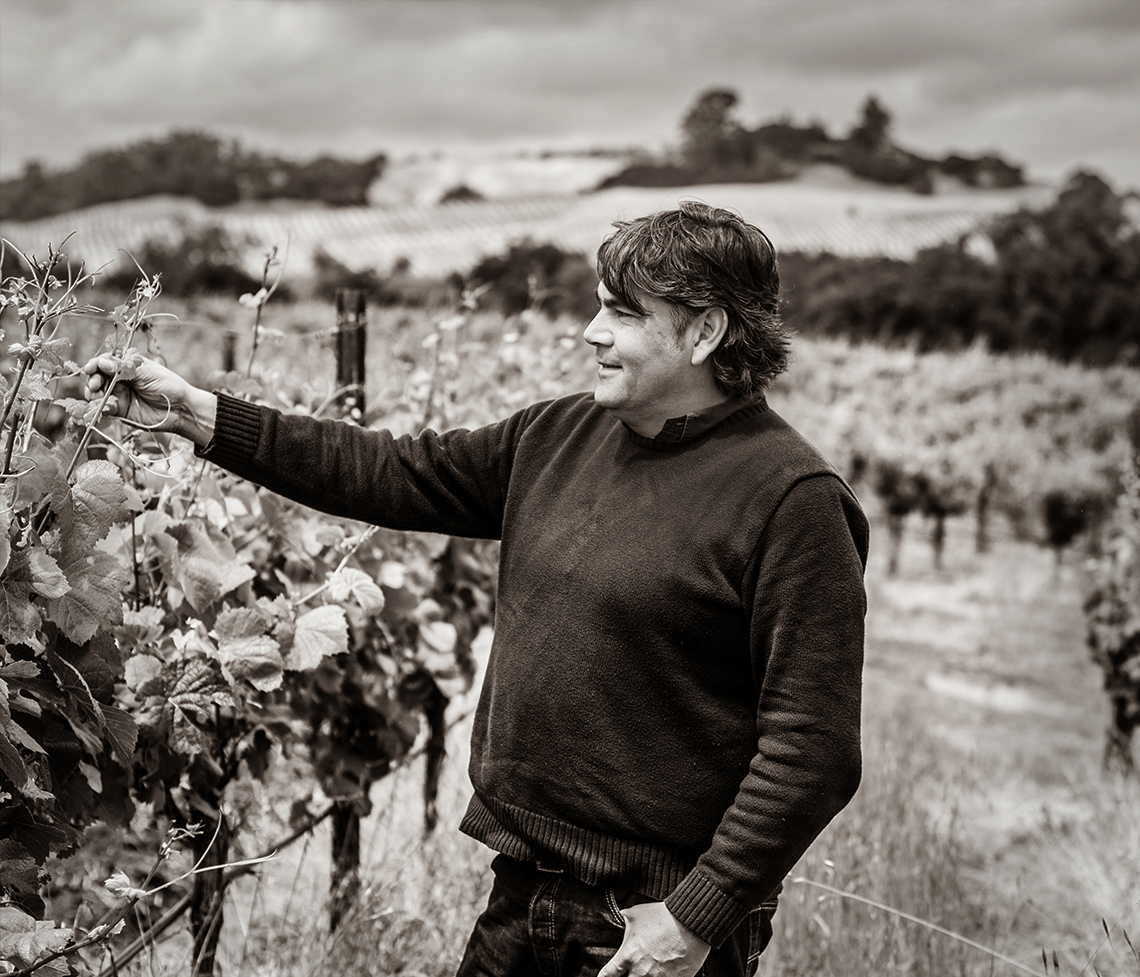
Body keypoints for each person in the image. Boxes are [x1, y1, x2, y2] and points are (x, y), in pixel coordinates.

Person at [84, 200, 868, 977]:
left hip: (652, 924)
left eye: (623, 315)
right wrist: (203, 416)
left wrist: (695, 917)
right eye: (599, 306)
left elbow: (813, 750)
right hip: (522, 895)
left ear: (706, 332)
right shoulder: (556, 436)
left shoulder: (791, 501)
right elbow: (389, 471)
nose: (591, 332)